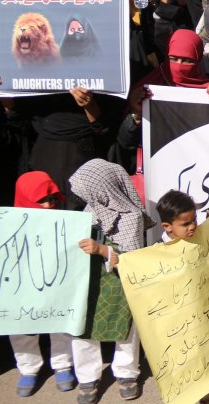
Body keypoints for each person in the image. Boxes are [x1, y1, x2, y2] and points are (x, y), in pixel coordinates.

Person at [69, 159, 153, 404]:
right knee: (84, 328)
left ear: (102, 187)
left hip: (120, 284)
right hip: (90, 283)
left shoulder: (131, 217)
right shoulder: (88, 213)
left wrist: (102, 250)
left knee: (126, 328)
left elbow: (132, 261)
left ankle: (126, 373)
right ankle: (87, 377)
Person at [9, 172, 76, 397]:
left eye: (52, 199)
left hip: (55, 281)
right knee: (22, 326)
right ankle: (28, 367)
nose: (48, 205)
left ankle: (63, 364)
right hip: (21, 284)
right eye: (41, 200)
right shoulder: (7, 224)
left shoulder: (64, 221)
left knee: (59, 320)